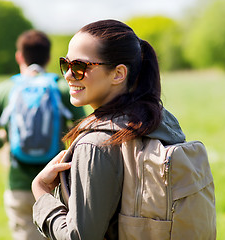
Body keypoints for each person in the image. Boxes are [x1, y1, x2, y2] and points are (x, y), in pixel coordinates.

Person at [31, 20, 186, 239]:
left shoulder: (95, 145)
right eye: (65, 64)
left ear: (118, 74)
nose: (68, 75)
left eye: (79, 67)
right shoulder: (162, 122)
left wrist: (40, 191)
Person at [0, 30, 86, 240]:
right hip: (57, 188)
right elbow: (84, 131)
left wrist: (5, 137)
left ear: (19, 56)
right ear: (48, 57)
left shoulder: (5, 90)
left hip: (19, 187)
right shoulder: (63, 88)